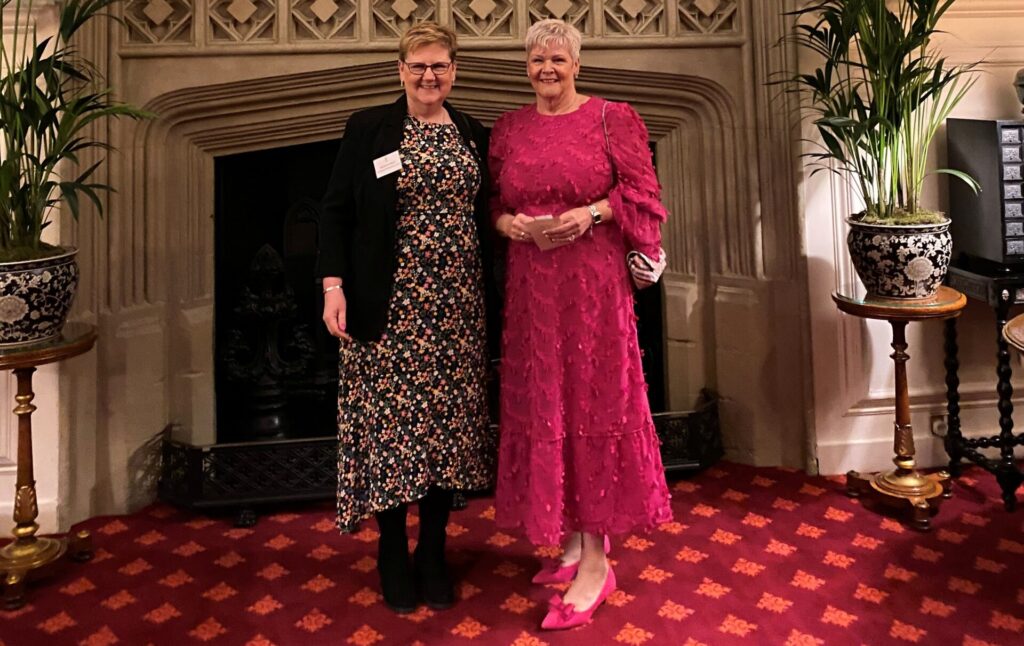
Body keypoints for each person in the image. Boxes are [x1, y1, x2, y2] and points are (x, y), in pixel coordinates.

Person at [489, 18, 673, 630]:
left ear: (576, 64)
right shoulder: (510, 128)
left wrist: (592, 213)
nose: (547, 69)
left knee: (592, 405)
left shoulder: (611, 118)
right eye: (537, 60)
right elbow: (494, 202)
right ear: (527, 66)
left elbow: (645, 197)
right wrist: (508, 225)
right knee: (548, 405)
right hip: (530, 290)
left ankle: (598, 560)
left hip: (593, 290)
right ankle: (570, 541)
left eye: (558, 59)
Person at [317, 21, 495, 614]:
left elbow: (491, 215)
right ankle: (392, 548)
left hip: (457, 311)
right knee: (393, 433)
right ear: (400, 70)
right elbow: (335, 211)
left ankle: (434, 550)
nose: (428, 76)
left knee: (449, 432)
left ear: (454, 71)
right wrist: (333, 286)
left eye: (439, 66)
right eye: (418, 66)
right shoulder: (370, 128)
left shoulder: (472, 132)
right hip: (388, 308)